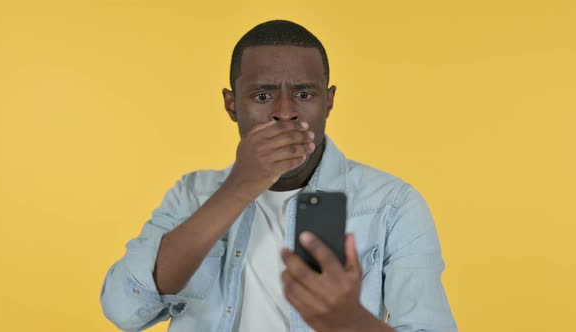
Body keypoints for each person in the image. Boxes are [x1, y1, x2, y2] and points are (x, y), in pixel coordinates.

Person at [100, 20, 457, 332]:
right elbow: (124, 310)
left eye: (304, 94)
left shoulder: (392, 204)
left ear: (328, 102)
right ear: (232, 104)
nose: (284, 112)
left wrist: (350, 321)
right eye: (262, 94)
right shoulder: (192, 194)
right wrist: (238, 188)